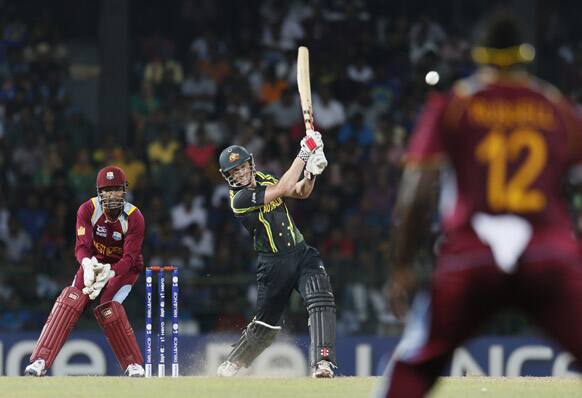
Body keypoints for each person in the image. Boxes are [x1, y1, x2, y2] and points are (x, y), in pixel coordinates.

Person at [375, 11, 582, 398]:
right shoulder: (556, 107)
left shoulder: (455, 104)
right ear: (526, 58)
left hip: (471, 255)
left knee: (415, 368)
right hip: (549, 255)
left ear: (479, 57)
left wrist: (402, 264)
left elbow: (416, 190)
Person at [216, 130, 337, 378]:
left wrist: (311, 174)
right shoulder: (238, 199)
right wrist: (304, 152)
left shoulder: (262, 177)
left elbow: (300, 192)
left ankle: (323, 363)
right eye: (233, 172)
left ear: (250, 164)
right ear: (227, 177)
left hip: (302, 253)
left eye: (242, 167)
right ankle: (234, 361)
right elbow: (283, 188)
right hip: (273, 265)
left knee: (321, 300)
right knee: (267, 327)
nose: (240, 174)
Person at [25, 166, 146, 377]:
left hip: (124, 269)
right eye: (107, 190)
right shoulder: (87, 209)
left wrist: (111, 273)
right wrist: (88, 265)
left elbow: (130, 257)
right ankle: (40, 361)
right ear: (99, 192)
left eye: (116, 189)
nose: (111, 195)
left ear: (124, 191)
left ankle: (133, 365)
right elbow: (81, 247)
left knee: (108, 307)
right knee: (70, 299)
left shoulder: (135, 217)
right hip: (94, 262)